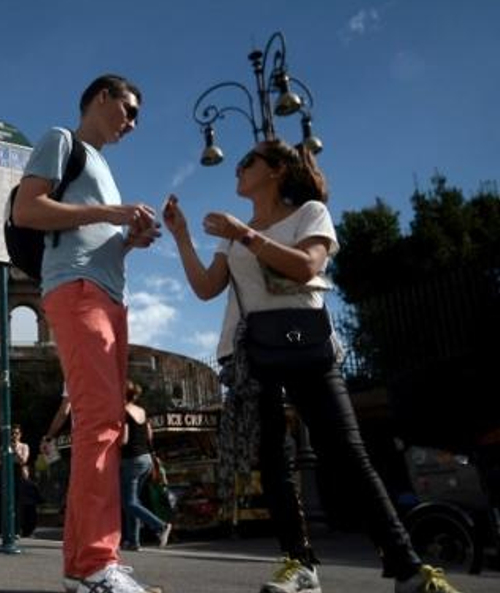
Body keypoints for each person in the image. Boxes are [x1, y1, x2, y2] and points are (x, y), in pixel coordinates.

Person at [162, 138, 462, 593]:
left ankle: (409, 569)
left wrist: (246, 234)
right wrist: (182, 234)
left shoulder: (309, 214)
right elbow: (207, 287)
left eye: (248, 162)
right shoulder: (232, 231)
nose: (238, 169)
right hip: (249, 353)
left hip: (305, 344)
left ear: (278, 169)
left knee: (348, 452)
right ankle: (299, 564)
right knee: (272, 461)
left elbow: (306, 267)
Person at [12, 73, 161, 593]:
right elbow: (26, 209)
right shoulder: (62, 141)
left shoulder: (104, 169)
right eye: (130, 108)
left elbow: (92, 238)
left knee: (106, 426)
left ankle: (84, 567)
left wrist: (128, 243)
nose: (134, 122)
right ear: (103, 97)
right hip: (76, 290)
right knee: (99, 424)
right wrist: (111, 212)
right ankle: (99, 563)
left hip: (108, 294)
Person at [120, 381, 172, 551]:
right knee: (133, 500)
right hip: (146, 459)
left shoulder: (123, 412)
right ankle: (133, 541)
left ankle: (160, 526)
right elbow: (149, 435)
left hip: (132, 460)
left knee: (129, 502)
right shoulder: (141, 410)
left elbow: (124, 440)